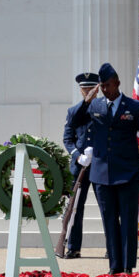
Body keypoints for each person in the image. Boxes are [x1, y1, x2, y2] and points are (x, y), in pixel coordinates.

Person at [69, 62, 139, 274]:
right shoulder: (95, 106)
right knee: (109, 222)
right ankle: (114, 266)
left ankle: (127, 266)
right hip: (101, 174)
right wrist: (86, 101)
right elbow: (74, 122)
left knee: (127, 222)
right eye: (103, 86)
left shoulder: (134, 107)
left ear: (117, 83)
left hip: (127, 173)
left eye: (109, 85)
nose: (106, 89)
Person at [61, 72, 99, 259]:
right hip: (80, 167)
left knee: (108, 209)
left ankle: (112, 247)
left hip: (100, 166)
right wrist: (78, 156)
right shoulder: (74, 111)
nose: (88, 92)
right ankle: (73, 247)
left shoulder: (104, 109)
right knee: (75, 207)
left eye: (91, 89)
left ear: (97, 89)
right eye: (85, 89)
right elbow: (67, 139)